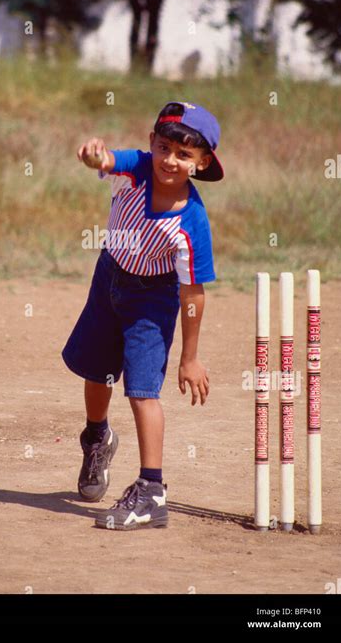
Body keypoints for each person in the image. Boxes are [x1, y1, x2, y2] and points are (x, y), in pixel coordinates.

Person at [61, 101, 224, 530]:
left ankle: (151, 491)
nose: (170, 160)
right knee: (97, 372)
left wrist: (190, 356)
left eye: (184, 155)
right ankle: (98, 437)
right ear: (152, 142)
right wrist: (93, 154)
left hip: (153, 298)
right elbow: (106, 158)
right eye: (164, 146)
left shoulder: (192, 223)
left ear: (202, 162)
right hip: (109, 276)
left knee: (142, 389)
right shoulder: (136, 167)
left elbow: (193, 292)